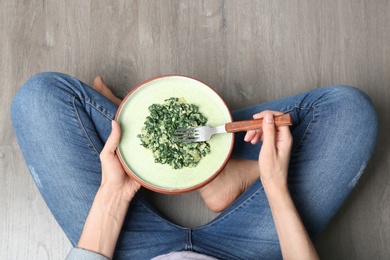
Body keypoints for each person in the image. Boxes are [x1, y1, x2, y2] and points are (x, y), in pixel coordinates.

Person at [11, 72, 378, 260]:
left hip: (129, 250)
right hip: (245, 251)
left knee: (39, 98)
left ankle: (137, 129)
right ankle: (218, 169)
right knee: (351, 113)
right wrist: (273, 185)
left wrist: (113, 194)